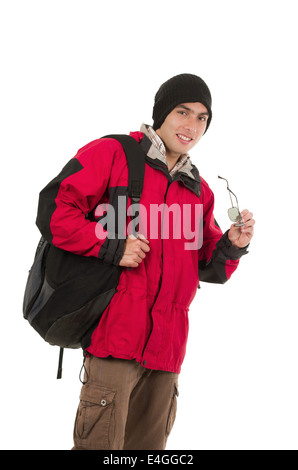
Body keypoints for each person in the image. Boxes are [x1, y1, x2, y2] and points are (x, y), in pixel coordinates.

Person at [36, 74, 255, 450]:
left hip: (167, 351)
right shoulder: (113, 154)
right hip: (114, 340)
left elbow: (206, 266)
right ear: (161, 113)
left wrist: (232, 246)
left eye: (202, 117)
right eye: (182, 111)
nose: (191, 125)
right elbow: (54, 209)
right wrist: (111, 246)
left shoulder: (197, 190)